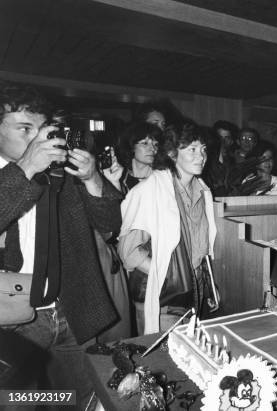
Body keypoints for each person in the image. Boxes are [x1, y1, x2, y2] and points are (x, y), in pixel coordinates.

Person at [0, 85, 121, 407]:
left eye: (42, 130)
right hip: (11, 319)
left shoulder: (60, 172)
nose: (38, 139)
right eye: (24, 128)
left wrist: (92, 178)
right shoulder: (19, 170)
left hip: (70, 309)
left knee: (75, 400)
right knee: (18, 403)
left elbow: (110, 226)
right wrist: (26, 167)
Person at [118, 123, 217, 335]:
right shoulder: (150, 191)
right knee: (166, 362)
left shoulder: (202, 191)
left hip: (193, 291)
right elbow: (128, 253)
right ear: (172, 153)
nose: (201, 156)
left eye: (203, 149)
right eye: (192, 149)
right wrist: (166, 276)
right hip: (164, 299)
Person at [116, 121, 163, 191]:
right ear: (131, 146)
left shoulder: (161, 179)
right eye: (145, 143)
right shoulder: (120, 178)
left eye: (156, 144)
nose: (152, 148)